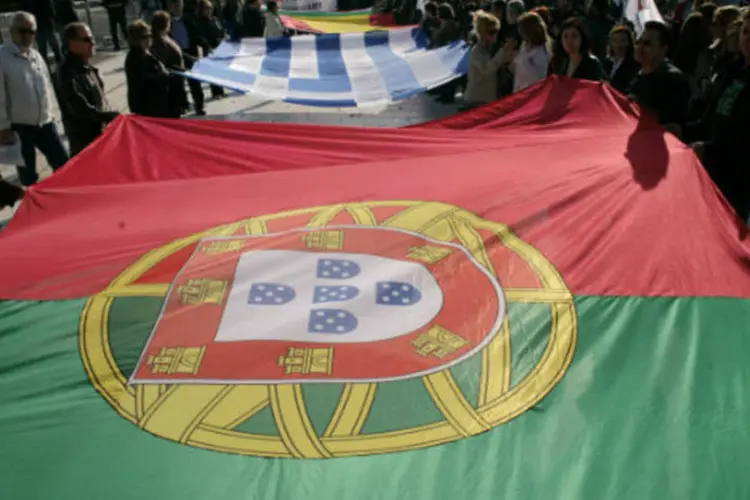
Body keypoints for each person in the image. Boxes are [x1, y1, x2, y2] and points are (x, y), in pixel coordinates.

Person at [692, 8, 750, 221]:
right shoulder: (732, 69)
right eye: (746, 32)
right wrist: (684, 130)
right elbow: (712, 116)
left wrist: (710, 150)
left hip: (738, 180)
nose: (748, 39)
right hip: (712, 168)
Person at [0, 12, 68, 187]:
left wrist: (52, 114)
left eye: (31, 32)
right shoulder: (3, 57)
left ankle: (64, 199)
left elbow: (47, 87)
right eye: (22, 31)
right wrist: (3, 127)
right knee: (28, 175)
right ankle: (35, 209)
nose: (27, 36)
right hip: (20, 126)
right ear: (11, 31)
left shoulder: (36, 56)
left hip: (45, 122)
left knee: (63, 164)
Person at [57, 22, 120, 156]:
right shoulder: (67, 73)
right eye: (86, 39)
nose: (92, 43)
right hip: (84, 142)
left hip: (99, 135)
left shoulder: (87, 68)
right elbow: (78, 107)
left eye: (92, 39)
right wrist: (107, 116)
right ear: (72, 43)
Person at [627, 21, 691, 134]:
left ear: (663, 49)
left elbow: (672, 124)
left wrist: (637, 106)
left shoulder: (673, 80)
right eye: (638, 42)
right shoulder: (638, 76)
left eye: (647, 44)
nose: (639, 48)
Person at [125, 20, 171, 117]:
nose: (149, 39)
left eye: (150, 35)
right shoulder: (135, 58)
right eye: (145, 37)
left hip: (158, 103)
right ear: (136, 39)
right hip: (147, 107)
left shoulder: (148, 52)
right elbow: (145, 80)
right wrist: (164, 75)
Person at [168, 0, 206, 115]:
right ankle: (182, 105)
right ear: (169, 7)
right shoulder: (167, 21)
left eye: (178, 4)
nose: (176, 7)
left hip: (190, 53)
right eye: (174, 5)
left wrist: (205, 45)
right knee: (177, 82)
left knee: (194, 81)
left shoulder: (189, 19)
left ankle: (199, 106)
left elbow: (197, 35)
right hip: (175, 56)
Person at [151, 10, 188, 117]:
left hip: (177, 78)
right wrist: (181, 69)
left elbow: (178, 51)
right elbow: (165, 63)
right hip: (170, 84)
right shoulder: (158, 42)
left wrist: (189, 58)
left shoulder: (166, 36)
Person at [464, 10, 505, 107]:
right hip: (477, 100)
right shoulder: (476, 51)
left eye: (496, 31)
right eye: (491, 32)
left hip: (487, 99)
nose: (495, 35)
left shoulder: (489, 49)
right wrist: (502, 53)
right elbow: (486, 69)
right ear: (482, 33)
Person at [551, 17, 603, 81]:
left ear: (582, 38)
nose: (569, 41)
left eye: (574, 36)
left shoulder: (592, 63)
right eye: (565, 36)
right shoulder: (561, 62)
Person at [512, 11, 552, 92]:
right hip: (519, 91)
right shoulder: (524, 45)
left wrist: (521, 60)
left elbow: (539, 77)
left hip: (533, 93)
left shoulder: (542, 50)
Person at [23, 0, 63, 66]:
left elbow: (26, 13)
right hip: (46, 23)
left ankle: (46, 66)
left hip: (36, 25)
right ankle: (59, 63)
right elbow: (51, 11)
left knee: (43, 48)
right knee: (54, 46)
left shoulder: (28, 2)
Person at [603, 24, 639, 94]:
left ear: (628, 42)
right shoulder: (606, 62)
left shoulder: (633, 65)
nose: (618, 45)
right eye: (615, 41)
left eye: (622, 40)